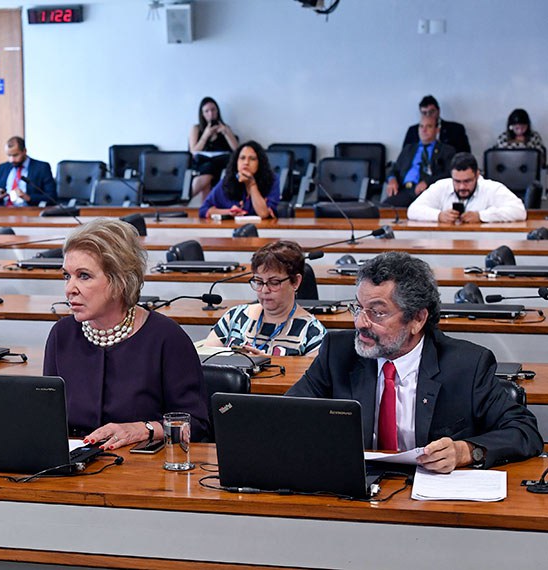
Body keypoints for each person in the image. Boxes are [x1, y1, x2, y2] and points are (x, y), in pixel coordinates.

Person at [286, 252, 541, 472]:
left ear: (417, 319)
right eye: (358, 308)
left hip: (433, 498)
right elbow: (286, 415)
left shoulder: (467, 365)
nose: (361, 323)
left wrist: (465, 451)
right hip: (357, 490)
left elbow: (524, 430)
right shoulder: (338, 353)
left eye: (377, 312)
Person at [43, 218, 210, 448]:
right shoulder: (61, 335)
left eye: (84, 276)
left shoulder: (167, 338)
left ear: (120, 280)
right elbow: (48, 418)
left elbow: (197, 425)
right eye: (66, 276)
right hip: (76, 464)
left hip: (143, 466)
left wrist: (144, 429)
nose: (69, 288)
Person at [204, 241, 326, 356]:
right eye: (259, 282)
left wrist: (267, 364)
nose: (264, 290)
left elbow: (312, 372)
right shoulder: (235, 317)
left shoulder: (313, 334)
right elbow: (205, 360)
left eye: (274, 282)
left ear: (295, 282)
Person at [407, 152, 526, 223]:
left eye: (467, 181)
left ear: (477, 175)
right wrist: (439, 215)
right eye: (457, 181)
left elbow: (519, 211)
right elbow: (412, 210)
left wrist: (481, 216)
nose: (462, 187)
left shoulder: (492, 188)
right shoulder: (441, 186)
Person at [384, 116, 456, 207]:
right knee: (382, 210)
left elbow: (449, 173)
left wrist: (428, 182)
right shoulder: (408, 149)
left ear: (437, 130)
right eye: (421, 126)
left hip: (428, 192)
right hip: (404, 190)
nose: (424, 130)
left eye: (429, 126)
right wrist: (392, 179)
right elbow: (394, 169)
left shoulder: (446, 150)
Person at [198, 141, 280, 219]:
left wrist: (252, 184)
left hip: (262, 228)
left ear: (260, 163)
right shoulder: (227, 181)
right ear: (236, 162)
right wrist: (229, 212)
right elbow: (204, 209)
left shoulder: (271, 180)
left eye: (252, 159)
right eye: (242, 158)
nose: (246, 162)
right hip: (232, 227)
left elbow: (263, 214)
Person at [189, 97, 239, 199]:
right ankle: (196, 201)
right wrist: (205, 135)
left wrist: (226, 133)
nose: (211, 114)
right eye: (206, 111)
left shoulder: (226, 128)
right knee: (208, 168)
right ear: (202, 114)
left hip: (221, 163)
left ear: (217, 111)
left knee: (210, 169)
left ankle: (185, 197)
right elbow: (193, 151)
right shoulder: (196, 129)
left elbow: (237, 150)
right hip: (202, 163)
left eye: (213, 110)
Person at [0, 136, 57, 206]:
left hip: (28, 210)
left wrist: (29, 198)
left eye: (15, 155)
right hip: (4, 210)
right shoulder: (3, 167)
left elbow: (52, 196)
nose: (11, 160)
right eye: (9, 155)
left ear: (24, 151)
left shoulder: (42, 167)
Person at [402, 95, 471, 154]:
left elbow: (466, 156)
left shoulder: (456, 129)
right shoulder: (413, 131)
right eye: (424, 113)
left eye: (431, 112)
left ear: (438, 111)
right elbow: (404, 157)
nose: (428, 115)